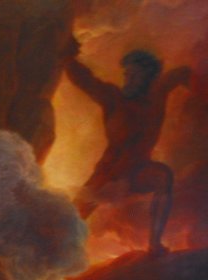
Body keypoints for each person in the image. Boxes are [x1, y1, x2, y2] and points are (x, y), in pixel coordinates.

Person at [64, 43, 191, 255]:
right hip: (108, 173)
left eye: (135, 75)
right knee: (73, 216)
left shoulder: (156, 96)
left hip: (138, 171)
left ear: (149, 78)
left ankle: (155, 244)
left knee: (163, 177)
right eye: (127, 75)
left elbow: (181, 74)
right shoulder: (114, 98)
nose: (128, 80)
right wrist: (68, 57)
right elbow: (87, 81)